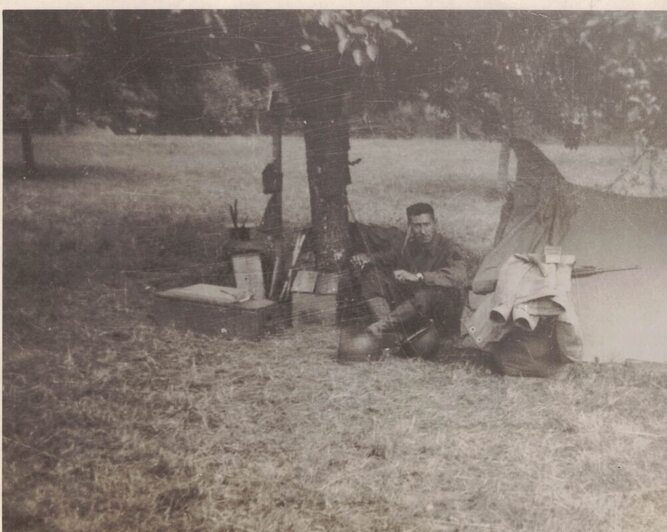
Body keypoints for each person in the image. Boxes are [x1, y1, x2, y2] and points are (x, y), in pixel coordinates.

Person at [350, 202, 467, 346]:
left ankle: (382, 326)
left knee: (428, 294)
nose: (423, 231)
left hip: (439, 311)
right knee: (373, 277)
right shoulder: (410, 245)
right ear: (410, 226)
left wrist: (419, 277)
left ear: (435, 223)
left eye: (426, 224)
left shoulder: (449, 247)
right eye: (417, 226)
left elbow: (459, 275)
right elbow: (390, 257)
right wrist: (368, 258)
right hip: (412, 308)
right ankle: (389, 330)